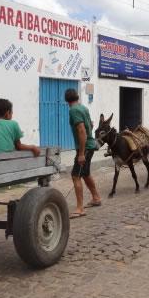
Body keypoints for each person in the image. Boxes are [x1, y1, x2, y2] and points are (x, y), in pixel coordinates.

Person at [65, 88, 102, 219]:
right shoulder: (83, 108)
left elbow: (81, 130)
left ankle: (80, 208)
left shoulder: (73, 110)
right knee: (85, 174)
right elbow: (90, 125)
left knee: (76, 176)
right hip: (89, 145)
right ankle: (96, 198)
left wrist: (81, 153)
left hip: (85, 148)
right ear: (77, 97)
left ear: (66, 101)